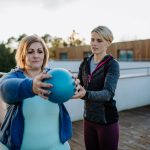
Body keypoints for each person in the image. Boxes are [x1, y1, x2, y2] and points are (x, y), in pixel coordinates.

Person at [0, 35, 79, 150]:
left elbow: (69, 84)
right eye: (30, 52)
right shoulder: (14, 76)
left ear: (44, 55)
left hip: (55, 145)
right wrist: (31, 86)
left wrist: (75, 87)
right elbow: (4, 89)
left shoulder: (53, 75)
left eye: (40, 51)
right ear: (23, 55)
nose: (36, 55)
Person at [73, 26, 120, 150]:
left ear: (108, 43)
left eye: (99, 40)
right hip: (88, 118)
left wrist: (86, 94)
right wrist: (71, 81)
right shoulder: (84, 63)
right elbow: (80, 85)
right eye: (92, 40)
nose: (94, 44)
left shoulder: (112, 64)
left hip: (106, 121)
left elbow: (108, 93)